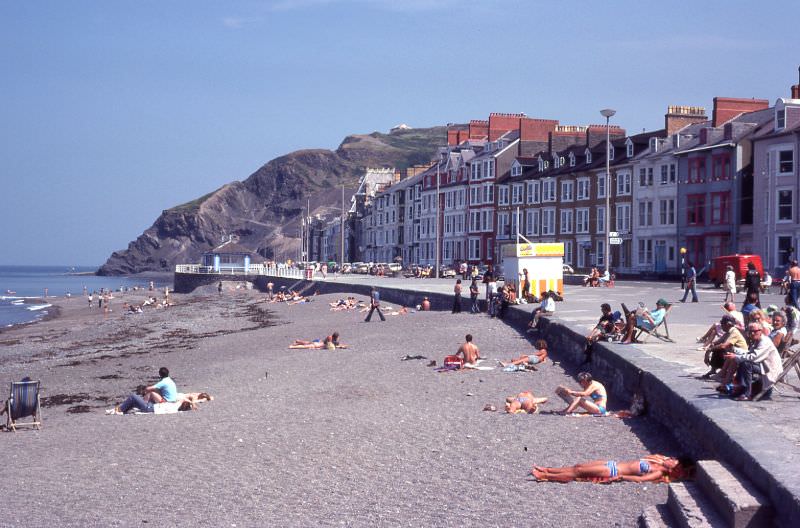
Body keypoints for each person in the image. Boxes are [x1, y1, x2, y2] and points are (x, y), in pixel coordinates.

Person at [722, 322, 783, 400]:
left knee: (746, 364)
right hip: (763, 365)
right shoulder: (757, 340)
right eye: (750, 331)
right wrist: (734, 351)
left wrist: (736, 357)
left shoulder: (764, 341)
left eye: (755, 331)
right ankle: (740, 388)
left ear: (760, 331)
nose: (752, 333)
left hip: (770, 369)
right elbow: (749, 353)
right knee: (742, 362)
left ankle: (747, 393)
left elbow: (754, 357)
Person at [531, 455, 694, 483]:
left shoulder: (658, 472)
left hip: (614, 471)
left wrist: (623, 478)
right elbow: (659, 456)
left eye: (674, 462)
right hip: (612, 463)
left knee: (577, 473)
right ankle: (549, 470)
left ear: (675, 469)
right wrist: (666, 460)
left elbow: (641, 479)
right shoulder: (658, 461)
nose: (671, 459)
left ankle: (545, 476)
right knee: (578, 466)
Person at [701, 315, 747, 379]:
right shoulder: (728, 332)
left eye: (722, 324)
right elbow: (716, 343)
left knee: (720, 349)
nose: (721, 326)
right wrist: (709, 350)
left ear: (728, 324)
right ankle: (713, 370)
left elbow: (724, 346)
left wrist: (710, 349)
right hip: (734, 351)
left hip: (741, 354)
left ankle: (723, 372)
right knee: (716, 347)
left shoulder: (734, 332)